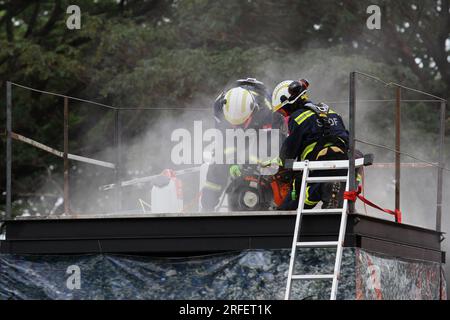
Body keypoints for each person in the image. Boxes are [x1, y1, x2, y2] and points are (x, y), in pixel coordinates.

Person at [201, 78, 286, 211]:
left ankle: (277, 201)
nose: (237, 126)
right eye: (234, 123)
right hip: (230, 131)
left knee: (268, 161)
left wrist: (256, 164)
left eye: (240, 123)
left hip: (263, 130)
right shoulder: (219, 106)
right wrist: (233, 162)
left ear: (253, 111)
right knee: (218, 163)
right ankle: (206, 208)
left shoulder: (267, 109)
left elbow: (272, 142)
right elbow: (224, 140)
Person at [271, 79, 349, 210]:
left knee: (288, 208)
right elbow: (346, 139)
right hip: (342, 169)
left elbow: (288, 152)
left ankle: (325, 188)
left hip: (316, 170)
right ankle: (330, 194)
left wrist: (278, 165)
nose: (284, 115)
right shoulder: (332, 113)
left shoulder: (297, 117)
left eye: (282, 112)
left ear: (290, 103)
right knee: (334, 212)